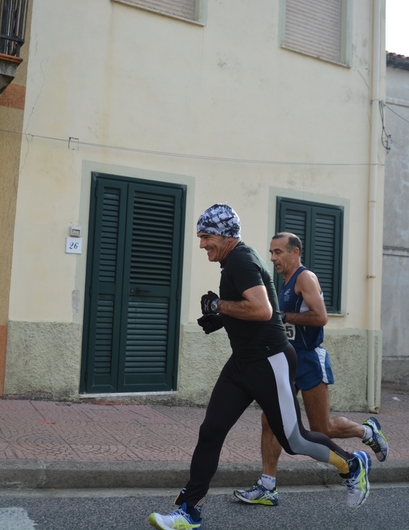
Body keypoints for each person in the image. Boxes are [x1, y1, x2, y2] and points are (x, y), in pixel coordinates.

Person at [148, 204, 372, 530]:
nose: (201, 244)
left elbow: (262, 309)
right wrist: (222, 317)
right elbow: (251, 309)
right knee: (211, 431)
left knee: (295, 441)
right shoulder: (232, 261)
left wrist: (218, 305)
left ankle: (352, 465)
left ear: (225, 235)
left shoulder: (241, 260)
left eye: (206, 237)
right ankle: (189, 511)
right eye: (200, 237)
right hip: (243, 362)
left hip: (270, 361)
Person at [232, 232, 389, 507]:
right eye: (271, 252)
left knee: (321, 427)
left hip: (309, 359)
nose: (273, 258)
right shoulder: (282, 284)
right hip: (288, 359)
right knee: (270, 420)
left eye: (278, 252)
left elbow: (321, 317)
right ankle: (267, 486)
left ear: (295, 253)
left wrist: (285, 316)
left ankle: (367, 432)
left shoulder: (305, 277)